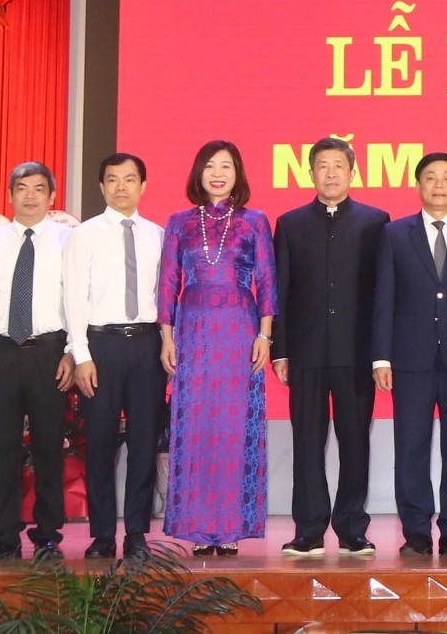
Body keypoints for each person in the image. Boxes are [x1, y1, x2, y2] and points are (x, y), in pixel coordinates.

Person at [372, 152, 447, 558]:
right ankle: (416, 532)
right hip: (409, 357)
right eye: (430, 177)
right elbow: (384, 297)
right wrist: (381, 357)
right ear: (418, 185)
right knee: (411, 446)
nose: (439, 185)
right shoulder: (394, 233)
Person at [158, 141, 276, 556]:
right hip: (193, 330)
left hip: (239, 330)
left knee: (234, 426)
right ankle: (196, 526)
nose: (218, 173)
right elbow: (168, 282)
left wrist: (265, 335)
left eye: (226, 166)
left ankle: (231, 527)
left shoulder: (255, 221)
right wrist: (167, 336)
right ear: (198, 173)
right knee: (197, 425)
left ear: (238, 173)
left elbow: (267, 280)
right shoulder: (179, 222)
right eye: (210, 166)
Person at [274, 138, 388, 557]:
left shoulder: (376, 222)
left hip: (357, 352)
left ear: (352, 172)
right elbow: (281, 291)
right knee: (307, 442)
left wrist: (381, 352)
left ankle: (352, 528)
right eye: (323, 166)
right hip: (305, 353)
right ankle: (308, 530)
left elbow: (383, 292)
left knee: (355, 441)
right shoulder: (290, 224)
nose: (331, 173)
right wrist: (281, 350)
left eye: (339, 165)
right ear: (311, 173)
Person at [0, 162, 76, 560]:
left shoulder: (69, 241)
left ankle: (48, 536)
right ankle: (5, 537)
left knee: (49, 448)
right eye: (22, 188)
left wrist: (73, 352)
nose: (30, 195)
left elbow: (79, 302)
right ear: (10, 195)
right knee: (2, 448)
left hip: (50, 353)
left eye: (39, 188)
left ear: (52, 196)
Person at [63, 153, 166, 560]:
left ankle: (137, 532)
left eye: (130, 179)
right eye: (112, 179)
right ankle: (103, 534)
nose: (121, 187)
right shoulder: (84, 235)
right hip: (101, 346)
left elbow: (166, 297)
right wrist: (81, 354)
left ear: (143, 186)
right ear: (101, 187)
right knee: (101, 444)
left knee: (143, 442)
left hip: (147, 345)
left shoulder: (159, 235)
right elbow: (74, 297)